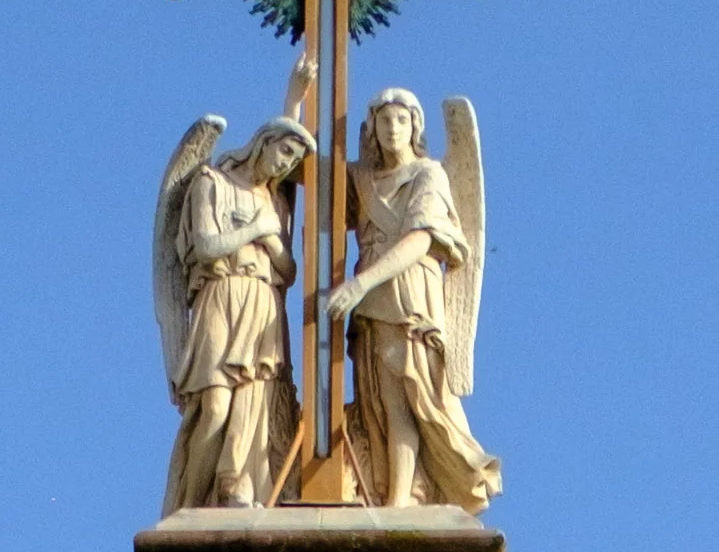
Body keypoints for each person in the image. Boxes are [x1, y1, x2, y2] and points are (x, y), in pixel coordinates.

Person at [335, 84, 498, 510]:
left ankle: (405, 495)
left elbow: (419, 239)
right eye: (384, 120)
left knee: (416, 392)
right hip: (371, 295)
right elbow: (303, 171)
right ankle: (400, 492)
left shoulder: (429, 174)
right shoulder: (363, 179)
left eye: (401, 120)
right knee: (384, 402)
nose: (392, 128)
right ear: (371, 128)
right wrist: (295, 97)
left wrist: (360, 285)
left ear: (415, 127)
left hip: (409, 291)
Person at [158, 108, 317, 510]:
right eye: (283, 152)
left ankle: (233, 484)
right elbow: (205, 247)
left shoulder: (273, 200)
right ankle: (191, 504)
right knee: (213, 406)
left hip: (261, 302)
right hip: (220, 293)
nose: (286, 163)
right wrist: (254, 231)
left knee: (251, 405)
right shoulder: (211, 182)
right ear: (263, 143)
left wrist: (272, 241)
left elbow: (289, 269)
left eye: (294, 160)